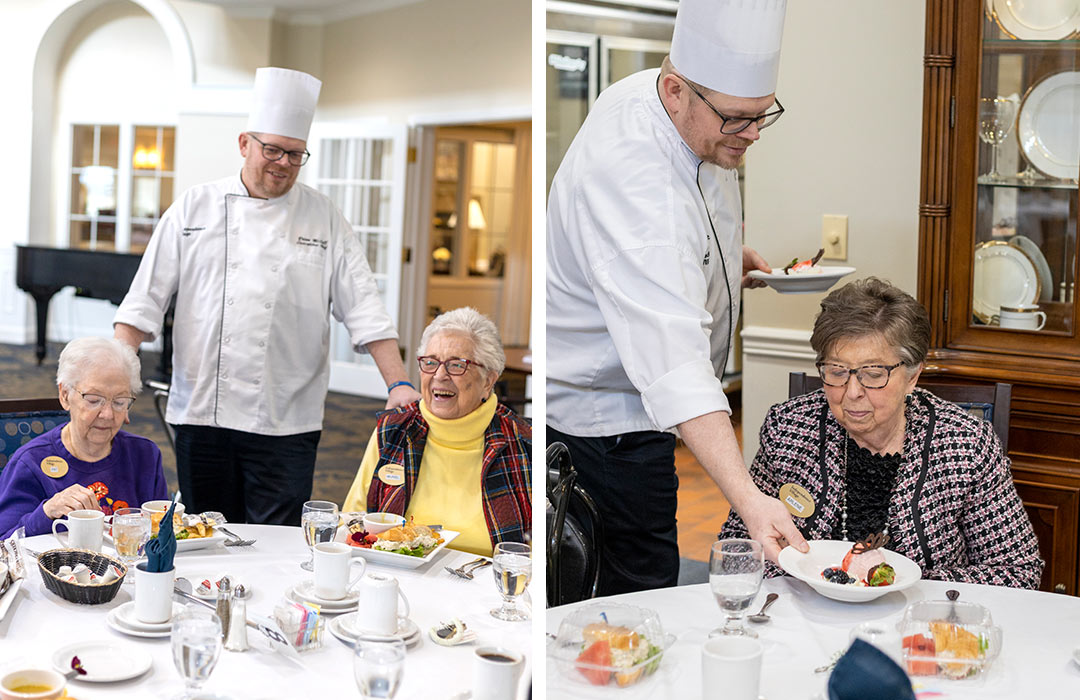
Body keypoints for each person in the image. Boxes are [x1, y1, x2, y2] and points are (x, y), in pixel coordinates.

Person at [546, 0, 806, 593]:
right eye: (739, 120)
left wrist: (711, 260)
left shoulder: (677, 107)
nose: (754, 135)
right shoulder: (633, 181)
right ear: (673, 91)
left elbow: (683, 222)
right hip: (606, 424)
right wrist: (749, 499)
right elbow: (675, 367)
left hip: (636, 413)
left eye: (764, 116)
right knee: (634, 591)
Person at [113, 67, 419, 526]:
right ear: (244, 144)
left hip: (288, 417)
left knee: (276, 540)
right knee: (206, 530)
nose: (282, 163)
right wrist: (112, 378)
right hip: (201, 411)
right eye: (272, 149)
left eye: (295, 155)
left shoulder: (323, 217)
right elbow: (143, 302)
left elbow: (364, 308)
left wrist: (397, 383)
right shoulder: (194, 208)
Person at [721, 278, 1043, 588]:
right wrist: (803, 585)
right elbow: (735, 549)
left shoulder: (966, 444)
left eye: (873, 374)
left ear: (913, 376)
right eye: (836, 372)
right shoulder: (789, 428)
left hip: (917, 627)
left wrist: (905, 587)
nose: (852, 392)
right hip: (809, 620)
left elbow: (1017, 570)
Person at [342, 308, 531, 556]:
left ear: (488, 380)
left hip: (489, 586)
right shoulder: (394, 431)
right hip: (401, 581)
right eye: (430, 363)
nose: (440, 375)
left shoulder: (524, 443)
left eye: (457, 365)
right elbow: (351, 522)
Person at [0, 337, 167, 538]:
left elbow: (163, 534)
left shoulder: (144, 455)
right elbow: (4, 543)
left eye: (120, 402)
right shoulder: (30, 462)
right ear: (64, 395)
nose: (107, 414)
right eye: (94, 400)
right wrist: (46, 512)